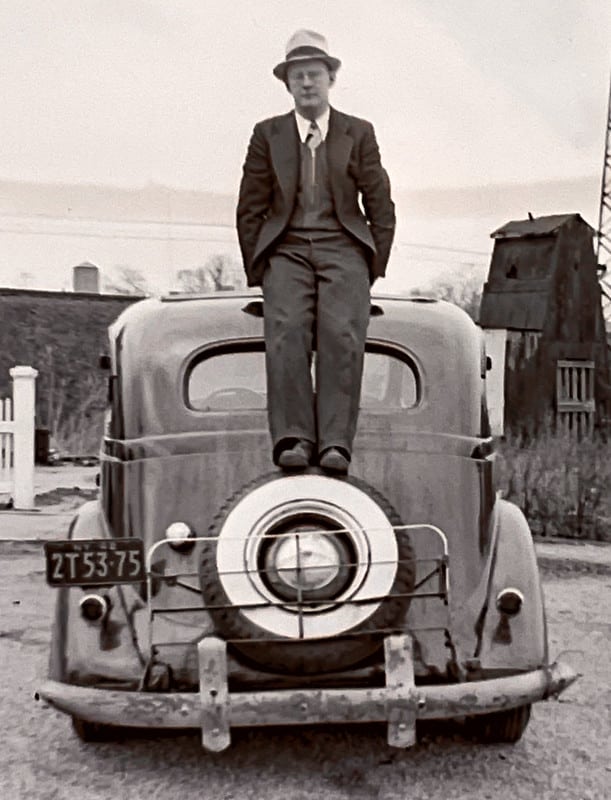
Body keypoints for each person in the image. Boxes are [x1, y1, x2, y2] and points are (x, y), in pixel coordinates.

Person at [236, 29, 396, 474]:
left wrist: (371, 266)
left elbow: (380, 202)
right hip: (285, 250)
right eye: (298, 76)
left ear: (331, 80)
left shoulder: (357, 133)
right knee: (285, 332)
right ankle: (293, 439)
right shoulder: (266, 135)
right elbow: (250, 205)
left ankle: (335, 445)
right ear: (287, 84)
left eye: (315, 75)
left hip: (343, 247)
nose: (307, 83)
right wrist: (262, 268)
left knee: (341, 334)